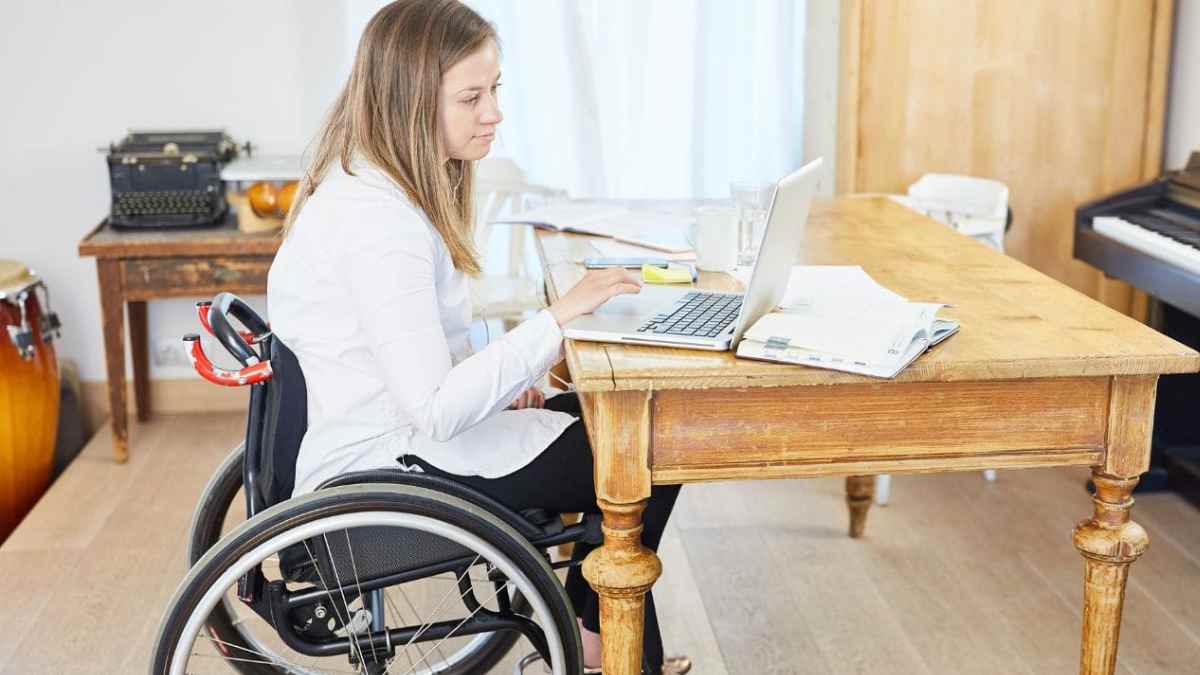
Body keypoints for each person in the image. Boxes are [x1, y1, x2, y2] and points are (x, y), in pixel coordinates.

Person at [266, 1, 689, 673]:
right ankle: (603, 643)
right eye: (471, 96)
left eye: (495, 90)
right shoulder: (380, 226)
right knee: (650, 447)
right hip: (391, 470)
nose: (493, 111)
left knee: (628, 424)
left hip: (397, 440)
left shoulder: (376, 188)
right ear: (409, 102)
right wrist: (557, 320)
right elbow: (432, 405)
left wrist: (502, 379)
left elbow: (412, 351)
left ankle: (592, 636)